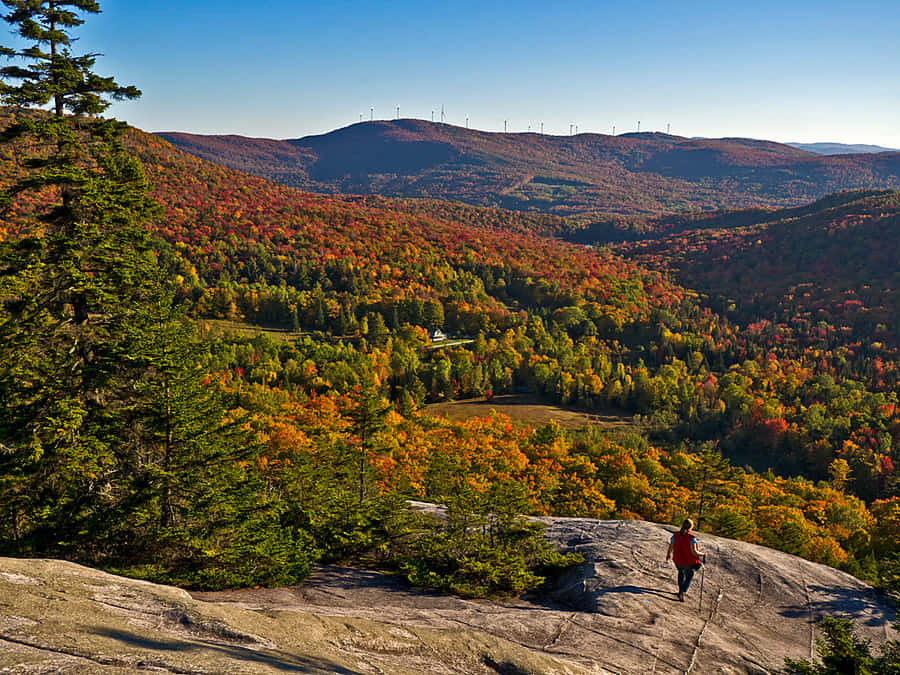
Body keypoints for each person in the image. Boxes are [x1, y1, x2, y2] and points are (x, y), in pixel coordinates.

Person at [665, 518, 707, 602]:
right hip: (688, 561)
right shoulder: (691, 538)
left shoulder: (675, 535)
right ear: (691, 527)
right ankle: (682, 591)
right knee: (689, 575)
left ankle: (680, 591)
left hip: (677, 560)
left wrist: (668, 554)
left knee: (681, 573)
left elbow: (671, 546)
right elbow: (694, 552)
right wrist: (703, 554)